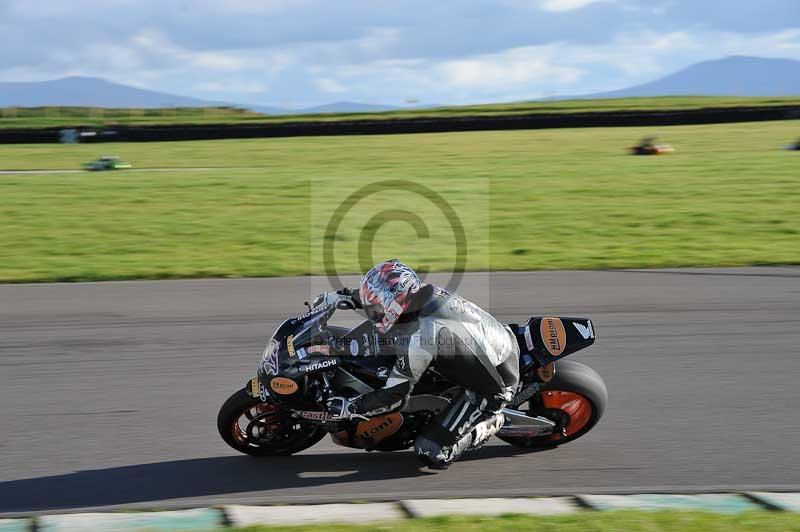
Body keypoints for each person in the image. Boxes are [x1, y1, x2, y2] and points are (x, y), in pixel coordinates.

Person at [313, 259, 520, 469]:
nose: (371, 313)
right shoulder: (417, 295)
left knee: (431, 452)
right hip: (493, 341)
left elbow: (395, 396)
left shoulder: (422, 337)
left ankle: (492, 421)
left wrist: (352, 407)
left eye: (375, 309)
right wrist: (338, 296)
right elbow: (378, 295)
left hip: (494, 385)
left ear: (394, 305)